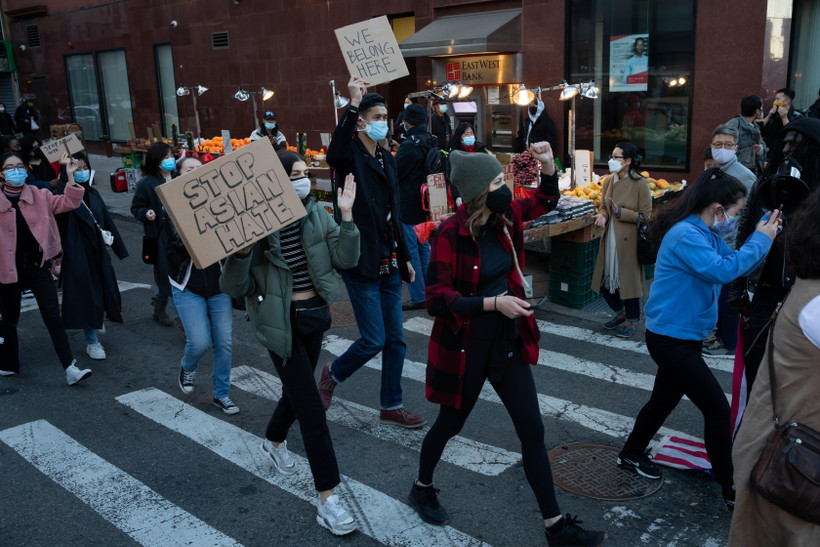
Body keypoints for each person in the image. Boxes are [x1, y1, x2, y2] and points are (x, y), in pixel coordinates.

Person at [410, 143, 606, 546]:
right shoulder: (450, 233)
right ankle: (422, 486)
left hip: (507, 341)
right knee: (450, 424)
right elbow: (435, 299)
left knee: (532, 430)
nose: (506, 187)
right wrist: (492, 302)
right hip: (465, 347)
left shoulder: (506, 216)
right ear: (480, 189)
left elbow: (546, 199)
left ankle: (555, 527)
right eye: (498, 181)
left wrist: (550, 164)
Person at [617, 168, 781, 511]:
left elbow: (726, 259)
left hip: (682, 335)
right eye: (734, 212)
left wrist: (743, 233)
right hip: (669, 338)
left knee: (663, 401)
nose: (734, 219)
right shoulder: (685, 235)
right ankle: (729, 485)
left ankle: (631, 453)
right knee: (717, 410)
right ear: (718, 207)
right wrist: (761, 239)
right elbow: (724, 270)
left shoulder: (703, 232)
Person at [220, 151, 361, 536]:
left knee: (296, 395)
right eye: (293, 175)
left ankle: (273, 439)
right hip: (279, 326)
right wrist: (242, 252)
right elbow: (234, 287)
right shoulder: (256, 226)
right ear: (275, 182)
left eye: (304, 174)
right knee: (312, 408)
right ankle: (328, 499)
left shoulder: (318, 215)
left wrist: (347, 217)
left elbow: (346, 259)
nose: (302, 180)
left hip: (314, 319)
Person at [320, 76, 425, 428]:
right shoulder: (349, 155)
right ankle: (332, 374)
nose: (384, 122)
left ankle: (391, 404)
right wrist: (352, 103)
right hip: (361, 258)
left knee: (396, 339)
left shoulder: (387, 157)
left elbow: (394, 209)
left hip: (391, 258)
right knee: (373, 339)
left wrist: (408, 260)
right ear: (362, 120)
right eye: (377, 116)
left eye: (386, 116)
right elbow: (333, 152)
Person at [728, 192, 820, 546]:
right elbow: (727, 268)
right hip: (793, 471)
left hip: (786, 459)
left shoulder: (807, 290)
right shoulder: (815, 304)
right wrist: (760, 240)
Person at [732, 117, 820, 390]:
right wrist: (737, 287)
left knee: (794, 371)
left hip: (805, 293)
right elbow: (744, 234)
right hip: (764, 290)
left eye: (795, 144)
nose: (786, 150)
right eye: (784, 143)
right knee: (757, 360)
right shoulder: (764, 185)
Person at [0, 151, 92, 384]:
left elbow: (69, 202)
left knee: (53, 316)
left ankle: (70, 368)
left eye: (19, 166)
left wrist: (69, 176)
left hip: (37, 267)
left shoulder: (40, 195)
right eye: (10, 167)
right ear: (1, 174)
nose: (16, 171)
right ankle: (9, 363)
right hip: (6, 270)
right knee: (10, 319)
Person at [164, 156, 239, 414]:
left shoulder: (220, 202)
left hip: (219, 286)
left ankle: (222, 394)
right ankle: (188, 366)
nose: (195, 172)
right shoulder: (170, 208)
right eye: (189, 169)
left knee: (224, 343)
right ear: (178, 176)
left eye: (199, 169)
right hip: (187, 285)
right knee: (199, 342)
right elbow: (173, 246)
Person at [56, 152, 128, 361]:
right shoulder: (60, 194)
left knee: (104, 289)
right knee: (85, 296)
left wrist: (119, 249)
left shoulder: (94, 193)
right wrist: (69, 178)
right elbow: (67, 204)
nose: (81, 172)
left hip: (98, 251)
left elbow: (106, 221)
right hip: (76, 253)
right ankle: (92, 341)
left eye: (83, 167)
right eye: (75, 169)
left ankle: (98, 320)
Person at [701, 125, 757, 356]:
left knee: (728, 297)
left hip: (731, 246)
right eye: (717, 145)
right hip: (708, 242)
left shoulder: (746, 177)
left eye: (727, 145)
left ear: (736, 148)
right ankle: (716, 337)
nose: (721, 149)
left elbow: (750, 215)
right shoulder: (711, 172)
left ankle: (729, 343)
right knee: (713, 294)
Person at [591, 142, 652, 338]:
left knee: (628, 282)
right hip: (608, 238)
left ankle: (631, 321)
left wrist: (620, 212)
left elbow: (646, 216)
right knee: (604, 281)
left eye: (616, 157)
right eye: (611, 155)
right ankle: (620, 312)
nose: (611, 160)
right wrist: (602, 215)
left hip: (628, 241)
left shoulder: (640, 183)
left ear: (627, 161)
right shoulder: (608, 180)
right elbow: (602, 206)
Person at [131, 142, 176, 327]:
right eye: (165, 158)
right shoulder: (146, 184)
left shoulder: (179, 177)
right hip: (160, 238)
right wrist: (145, 213)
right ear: (157, 161)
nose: (170, 160)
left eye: (171, 156)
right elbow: (136, 207)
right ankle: (178, 317)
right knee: (166, 276)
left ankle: (160, 303)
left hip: (182, 236)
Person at [396, 103, 435, 311]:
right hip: (427, 201)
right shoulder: (431, 141)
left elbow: (395, 172)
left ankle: (419, 295)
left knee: (412, 249)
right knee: (424, 247)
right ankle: (429, 291)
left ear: (408, 122)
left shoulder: (409, 145)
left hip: (410, 203)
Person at [725, 95, 768, 175]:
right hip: (736, 171)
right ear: (757, 111)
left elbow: (763, 148)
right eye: (761, 108)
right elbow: (725, 148)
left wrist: (759, 150)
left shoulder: (755, 126)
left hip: (753, 172)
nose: (762, 111)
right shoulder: (734, 124)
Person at [760, 88, 801, 152]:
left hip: (785, 152)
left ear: (787, 101)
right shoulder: (773, 114)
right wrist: (769, 116)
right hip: (769, 152)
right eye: (775, 99)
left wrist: (784, 118)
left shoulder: (797, 117)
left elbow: (793, 135)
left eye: (778, 99)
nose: (775, 102)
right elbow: (760, 129)